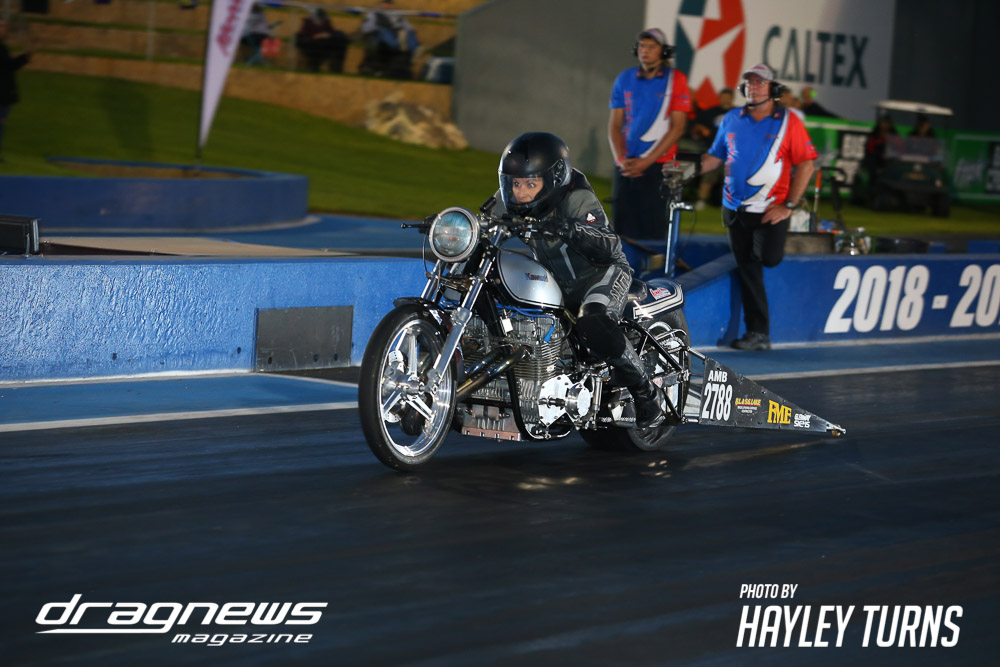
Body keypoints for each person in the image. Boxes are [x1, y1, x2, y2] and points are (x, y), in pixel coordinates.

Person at [491, 132, 667, 429]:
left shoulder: (575, 196)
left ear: (553, 179)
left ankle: (646, 392)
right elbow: (485, 222)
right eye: (516, 184)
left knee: (593, 318)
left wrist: (570, 229)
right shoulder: (507, 199)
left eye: (531, 184)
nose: (521, 193)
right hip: (556, 281)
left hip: (601, 272)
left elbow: (609, 245)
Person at [697, 64, 817, 351]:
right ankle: (758, 333)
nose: (753, 87)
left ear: (773, 89)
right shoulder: (732, 118)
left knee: (769, 259)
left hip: (771, 209)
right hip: (735, 209)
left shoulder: (789, 121)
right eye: (749, 82)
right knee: (748, 269)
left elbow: (807, 165)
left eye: (760, 83)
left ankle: (759, 331)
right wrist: (685, 169)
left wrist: (789, 206)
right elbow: (715, 157)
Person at [608, 28, 691, 238]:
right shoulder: (624, 78)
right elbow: (614, 125)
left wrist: (646, 162)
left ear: (664, 51)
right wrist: (620, 160)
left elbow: (678, 128)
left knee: (653, 231)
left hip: (658, 165)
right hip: (626, 165)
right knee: (621, 230)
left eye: (652, 46)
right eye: (642, 46)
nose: (645, 50)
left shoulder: (676, 80)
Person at [688, 87, 734, 209]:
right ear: (719, 98)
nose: (725, 100)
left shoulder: (738, 113)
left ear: (732, 99)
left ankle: (727, 204)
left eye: (728, 98)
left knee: (730, 179)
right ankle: (701, 200)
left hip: (731, 152)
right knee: (708, 177)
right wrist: (701, 129)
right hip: (714, 151)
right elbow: (696, 126)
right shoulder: (710, 112)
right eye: (723, 97)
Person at [359, 0, 419, 79]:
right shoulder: (374, 14)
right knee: (385, 32)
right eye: (386, 3)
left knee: (409, 34)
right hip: (381, 34)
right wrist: (379, 28)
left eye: (389, 3)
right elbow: (366, 28)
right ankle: (399, 45)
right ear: (381, 3)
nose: (387, 5)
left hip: (396, 33)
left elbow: (408, 27)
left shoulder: (396, 14)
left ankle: (414, 51)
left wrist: (403, 30)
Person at [0, 19, 30, 162]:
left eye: (4, 26)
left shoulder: (2, 47)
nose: (3, 29)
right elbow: (9, 66)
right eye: (1, 26)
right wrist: (25, 56)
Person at [295, 9, 349, 73]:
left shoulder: (326, 23)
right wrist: (315, 36)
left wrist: (327, 35)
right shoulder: (308, 23)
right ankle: (314, 65)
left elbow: (331, 32)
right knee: (318, 44)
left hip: (325, 44)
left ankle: (336, 67)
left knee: (340, 42)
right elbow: (303, 36)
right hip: (311, 45)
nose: (320, 21)